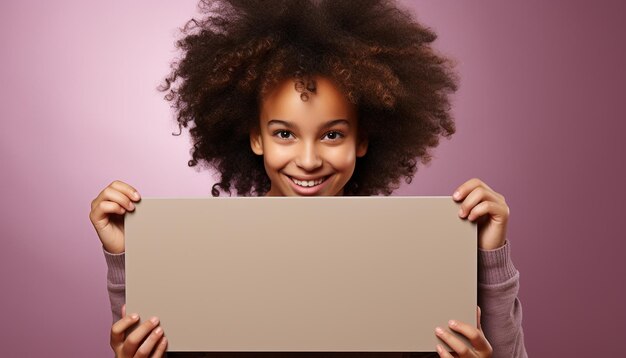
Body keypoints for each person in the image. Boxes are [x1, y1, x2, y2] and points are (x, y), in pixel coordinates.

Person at [89, 1, 527, 357]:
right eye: (284, 133)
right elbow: (149, 337)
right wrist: (126, 256)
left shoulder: (413, 258)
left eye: (333, 134)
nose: (309, 159)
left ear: (362, 140)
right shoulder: (206, 255)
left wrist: (490, 260)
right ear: (256, 138)